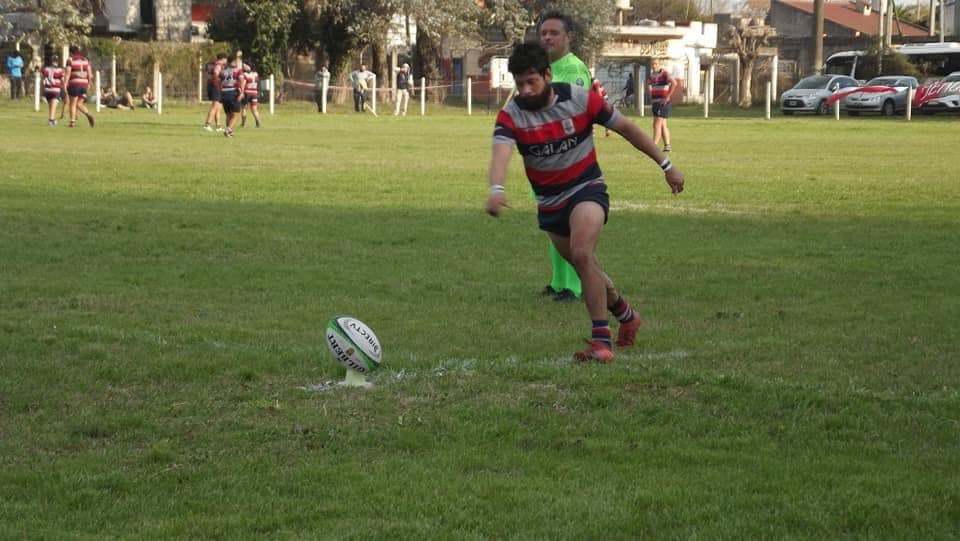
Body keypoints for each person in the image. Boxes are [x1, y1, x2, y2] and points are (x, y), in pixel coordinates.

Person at [485, 43, 684, 363]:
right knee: (585, 265)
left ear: (547, 75)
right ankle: (626, 314)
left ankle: (600, 341)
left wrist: (666, 165)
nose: (525, 89)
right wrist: (496, 187)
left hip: (586, 189)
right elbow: (501, 153)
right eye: (519, 83)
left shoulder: (579, 100)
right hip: (550, 203)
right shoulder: (512, 114)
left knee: (581, 252)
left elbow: (627, 128)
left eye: (531, 81)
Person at [537, 11, 592, 303]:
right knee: (552, 222)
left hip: (571, 158)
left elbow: (573, 109)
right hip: (547, 158)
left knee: (570, 224)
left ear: (568, 37)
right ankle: (559, 282)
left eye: (554, 33)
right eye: (543, 33)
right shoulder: (543, 68)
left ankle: (575, 285)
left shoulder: (573, 69)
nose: (547, 37)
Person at [63, 46, 95, 128]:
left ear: (71, 52)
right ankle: (88, 114)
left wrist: (65, 84)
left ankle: (72, 122)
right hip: (84, 84)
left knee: (73, 103)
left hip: (74, 83)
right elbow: (90, 74)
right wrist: (89, 84)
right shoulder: (85, 60)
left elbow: (68, 73)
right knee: (79, 103)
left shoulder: (70, 60)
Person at [648, 58, 675, 152]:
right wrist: (651, 96)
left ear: (659, 64)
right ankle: (667, 146)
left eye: (655, 64)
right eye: (652, 64)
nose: (654, 66)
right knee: (662, 124)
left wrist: (667, 96)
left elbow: (674, 83)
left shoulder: (664, 73)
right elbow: (649, 85)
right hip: (656, 103)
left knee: (656, 124)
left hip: (663, 103)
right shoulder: (652, 75)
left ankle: (653, 146)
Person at [218, 56, 243, 137]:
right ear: (232, 62)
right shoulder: (238, 71)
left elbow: (219, 82)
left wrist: (220, 92)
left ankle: (230, 132)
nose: (236, 63)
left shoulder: (223, 71)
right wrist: (242, 92)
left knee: (228, 114)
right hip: (233, 92)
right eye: (235, 62)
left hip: (224, 92)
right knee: (236, 113)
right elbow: (241, 81)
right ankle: (228, 129)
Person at [203, 53, 227, 131]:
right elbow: (216, 73)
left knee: (219, 107)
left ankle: (218, 126)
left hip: (212, 85)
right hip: (215, 86)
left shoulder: (210, 64)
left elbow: (205, 72)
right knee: (215, 105)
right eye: (225, 59)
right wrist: (217, 80)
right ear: (223, 59)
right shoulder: (219, 65)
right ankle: (207, 124)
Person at [41, 55, 65, 126]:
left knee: (50, 106)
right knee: (54, 106)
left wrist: (42, 90)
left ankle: (53, 119)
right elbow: (62, 80)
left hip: (47, 89)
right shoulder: (60, 70)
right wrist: (63, 88)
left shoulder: (45, 69)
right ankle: (51, 120)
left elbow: (43, 80)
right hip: (55, 89)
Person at [240, 63, 262, 128]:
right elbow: (257, 82)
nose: (243, 67)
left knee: (244, 108)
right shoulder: (256, 74)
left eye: (245, 66)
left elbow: (243, 84)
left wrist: (242, 92)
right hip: (254, 92)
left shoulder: (244, 74)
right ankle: (258, 123)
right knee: (254, 109)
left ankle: (243, 124)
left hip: (247, 92)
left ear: (249, 66)